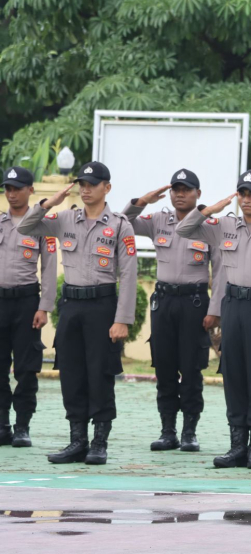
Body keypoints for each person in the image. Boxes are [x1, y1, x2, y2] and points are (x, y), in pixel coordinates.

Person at [19, 161, 137, 465]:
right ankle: (77, 441)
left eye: (92, 184)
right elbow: (25, 226)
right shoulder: (65, 218)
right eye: (82, 184)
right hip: (71, 307)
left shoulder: (120, 225)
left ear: (106, 188)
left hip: (102, 306)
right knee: (71, 373)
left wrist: (122, 319)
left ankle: (99, 443)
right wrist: (49, 202)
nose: (85, 189)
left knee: (100, 374)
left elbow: (129, 275)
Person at [176, 169, 251, 470]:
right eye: (241, 193)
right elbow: (183, 230)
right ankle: (237, 445)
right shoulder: (224, 226)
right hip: (233, 306)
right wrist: (210, 209)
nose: (245, 199)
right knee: (233, 375)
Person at [122, 169, 226, 452]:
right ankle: (168, 430)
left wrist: (215, 308)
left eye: (186, 190)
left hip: (195, 303)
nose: (180, 194)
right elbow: (123, 223)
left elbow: (221, 270)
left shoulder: (210, 226)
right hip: (164, 302)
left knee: (192, 368)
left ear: (198, 194)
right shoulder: (159, 221)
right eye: (176, 190)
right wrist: (142, 201)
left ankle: (190, 431)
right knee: (165, 367)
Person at [0, 167, 57, 448]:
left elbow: (49, 268)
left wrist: (44, 306)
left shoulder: (41, 226)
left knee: (26, 368)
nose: (12, 194)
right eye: (8, 188)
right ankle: (2, 425)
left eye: (17, 188)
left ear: (30, 191)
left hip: (26, 303)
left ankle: (22, 426)